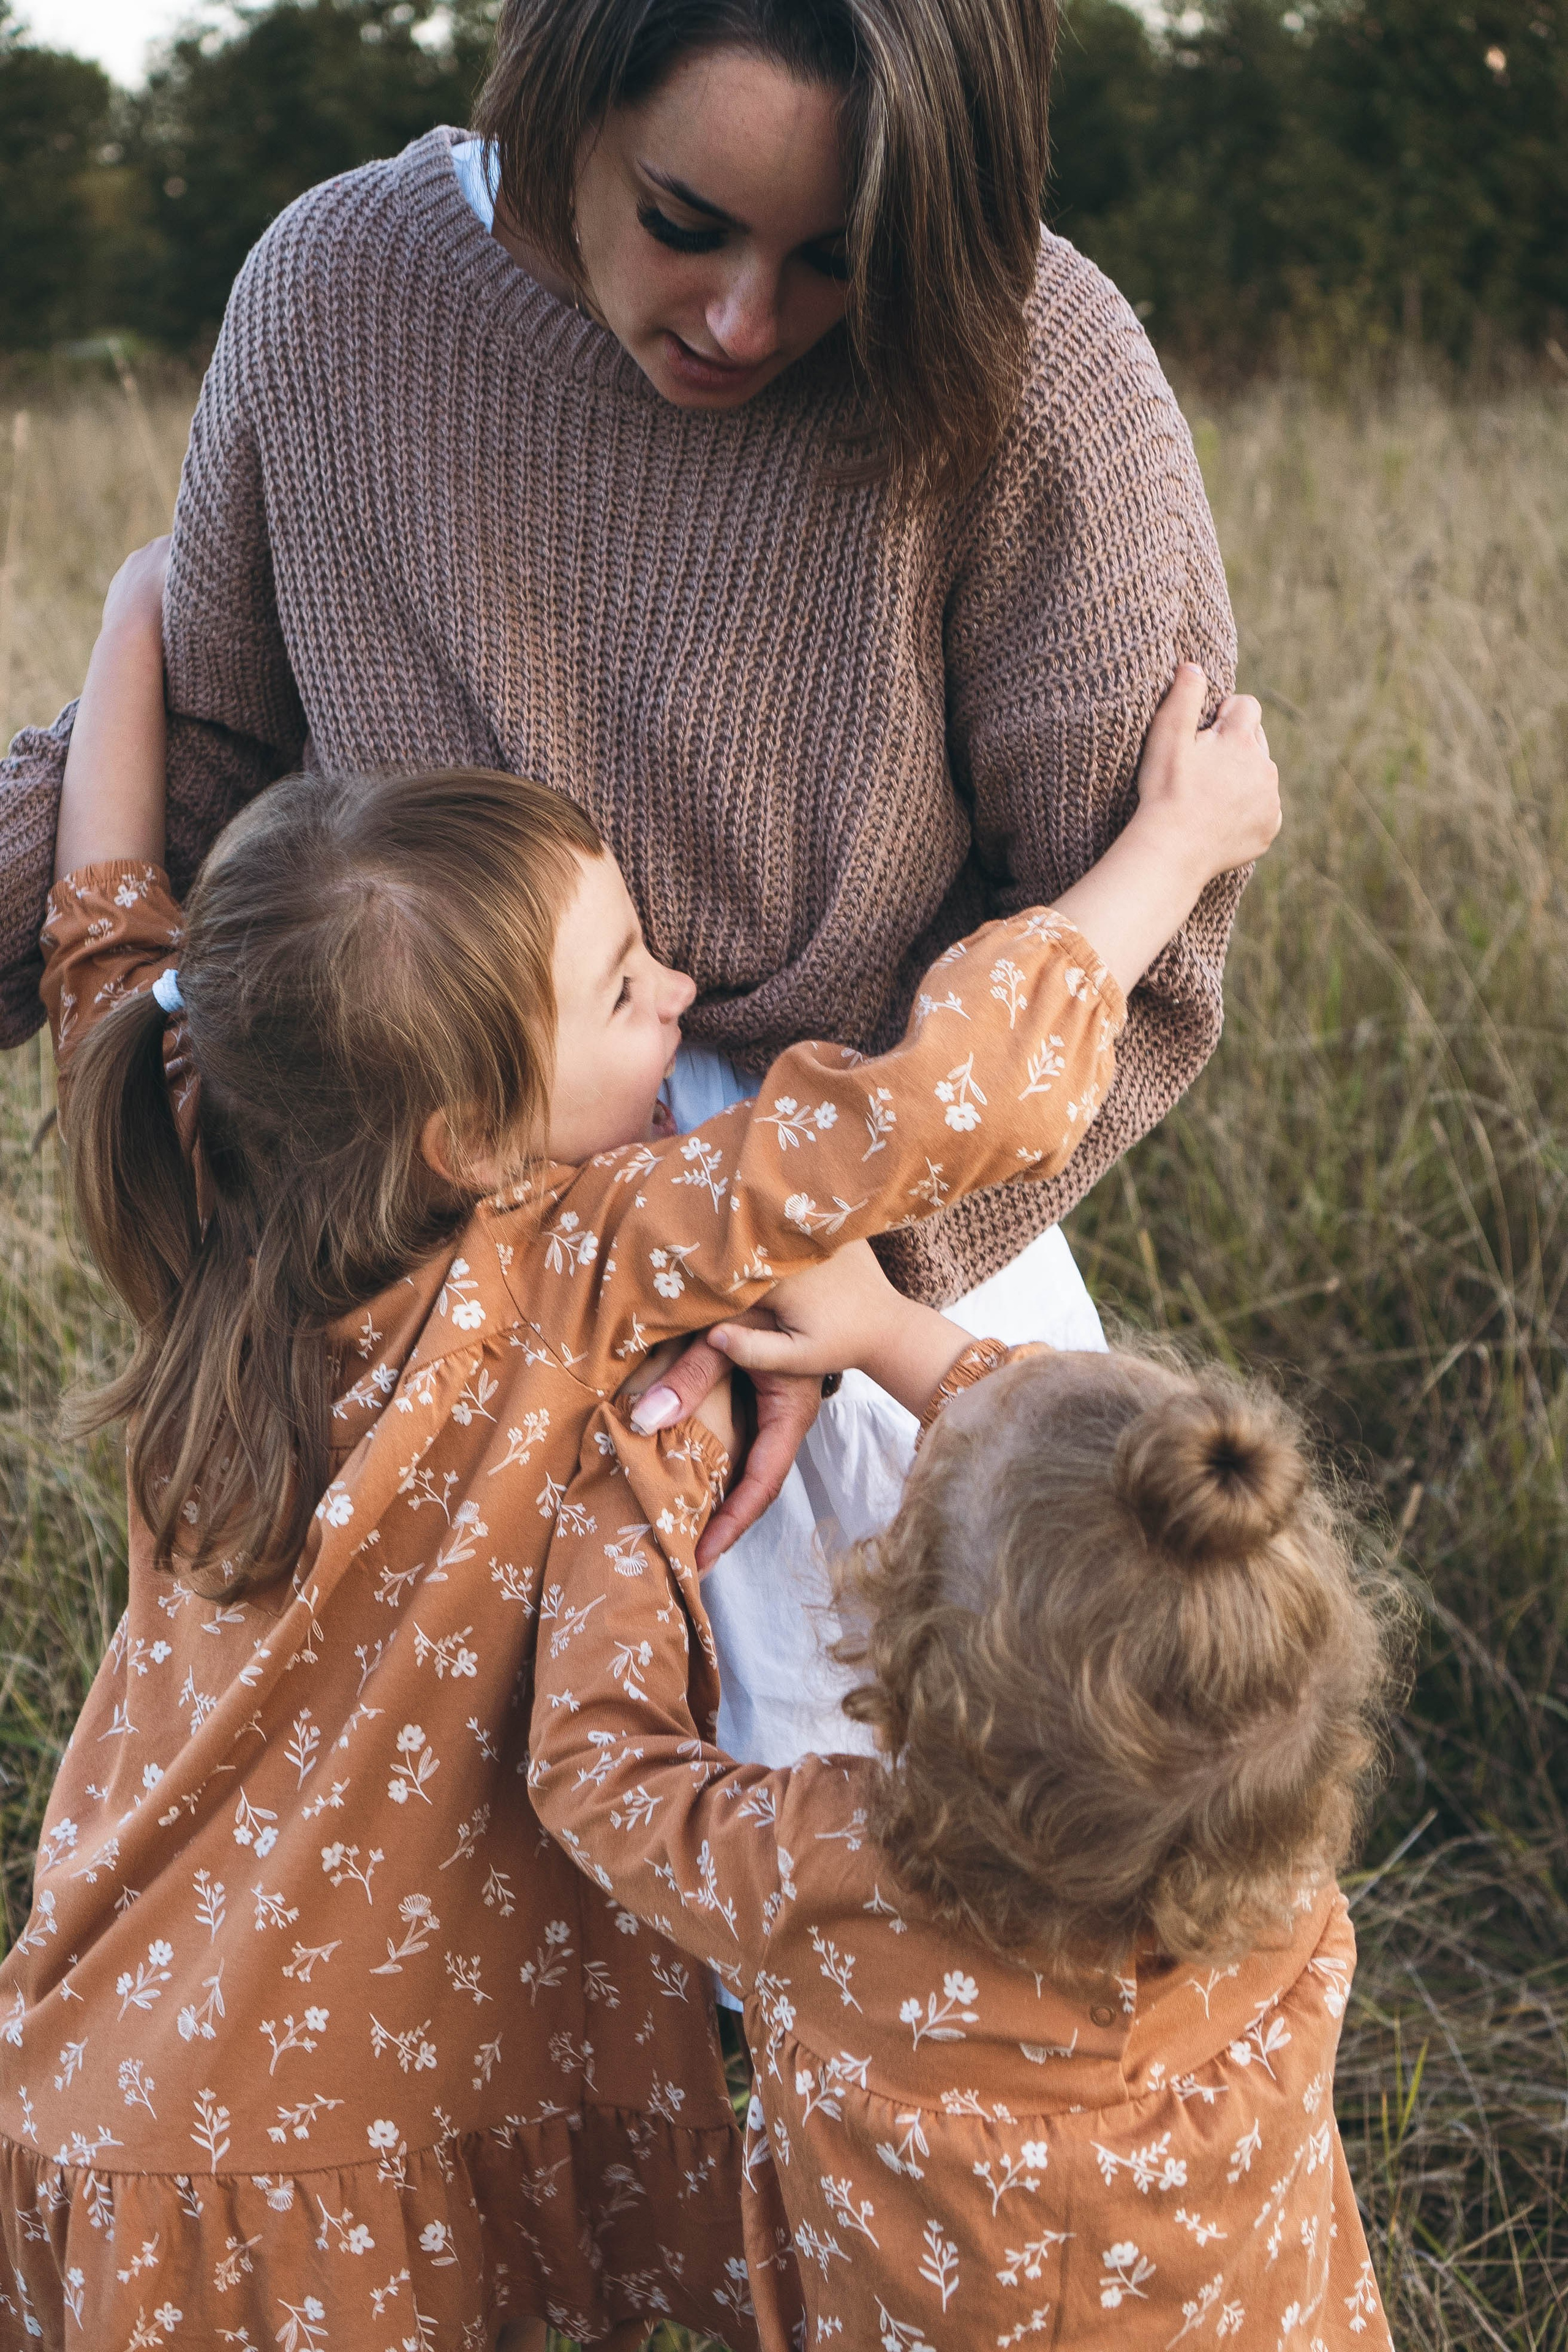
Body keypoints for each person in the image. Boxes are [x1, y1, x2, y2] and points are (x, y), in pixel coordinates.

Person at [0, 541, 1276, 2347]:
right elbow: (938, 1106)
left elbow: (108, 938)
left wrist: (149, 613)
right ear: (467, 1141)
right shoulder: (572, 1262)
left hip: (101, 2067)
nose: (679, 992)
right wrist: (1180, 843)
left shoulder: (195, 1193)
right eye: (621, 991)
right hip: (344, 2142)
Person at [0, 0, 1242, 1767]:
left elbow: (1125, 964)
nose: (744, 321)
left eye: (837, 260)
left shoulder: (1040, 364)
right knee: (462, 1862)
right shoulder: (339, 291)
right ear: (565, 91)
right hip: (412, 1239)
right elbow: (210, 776)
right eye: (683, 222)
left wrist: (832, 1293)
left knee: (908, 1854)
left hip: (852, 1220)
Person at [530, 1306, 1406, 2348]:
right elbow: (1114, 1518)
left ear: (906, 1676)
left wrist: (662, 1457)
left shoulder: (828, 1879)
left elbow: (599, 1767)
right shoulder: (1273, 1868)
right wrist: (887, 1331)